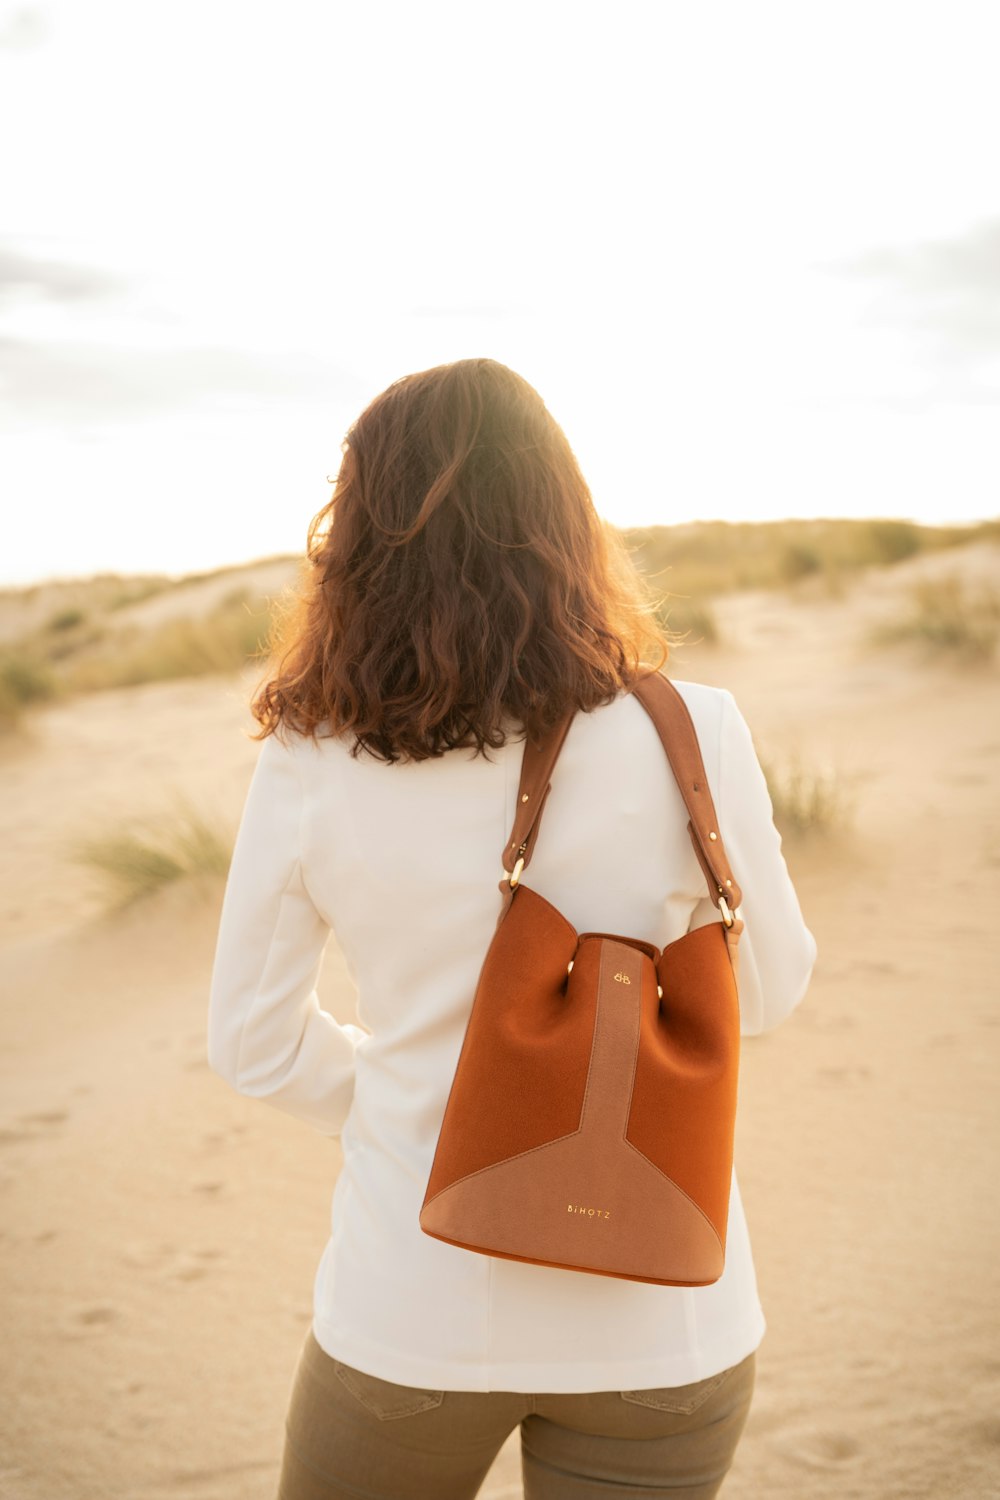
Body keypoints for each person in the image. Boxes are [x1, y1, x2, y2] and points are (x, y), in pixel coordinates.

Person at [207, 357, 818, 1500]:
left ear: (358, 539)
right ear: (566, 521)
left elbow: (253, 1046)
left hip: (415, 1310)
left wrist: (433, 1105)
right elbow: (772, 990)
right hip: (668, 1321)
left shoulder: (310, 762)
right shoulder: (698, 730)